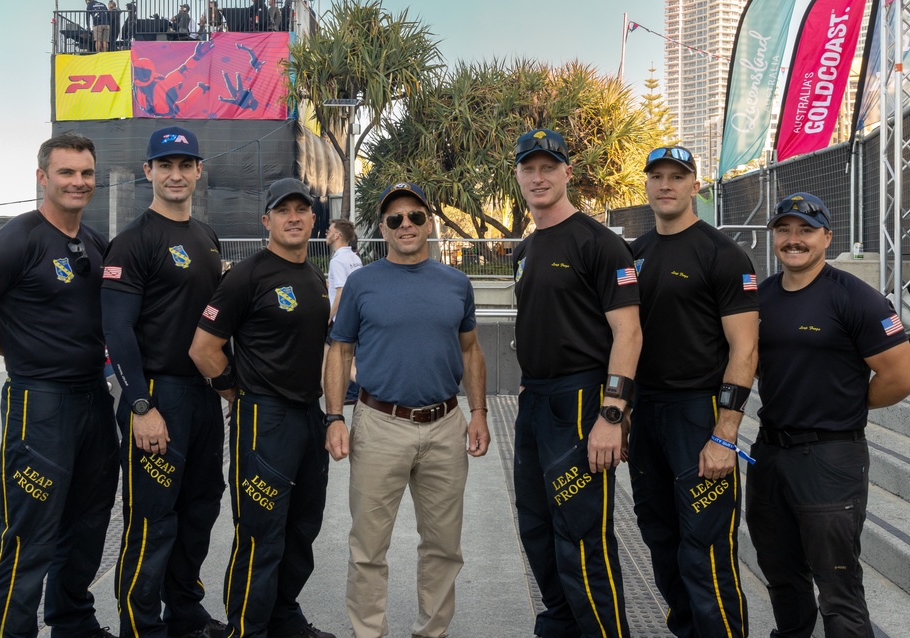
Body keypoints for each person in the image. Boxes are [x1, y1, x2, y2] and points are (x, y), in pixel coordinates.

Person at [0, 133, 119, 638]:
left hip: (93, 400)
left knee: (87, 524)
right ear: (42, 178)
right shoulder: (16, 239)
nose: (77, 182)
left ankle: (72, 621)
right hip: (40, 405)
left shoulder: (95, 241)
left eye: (85, 173)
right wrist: (13, 350)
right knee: (30, 532)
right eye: (66, 172)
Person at [324, 182, 490, 638]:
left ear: (429, 221)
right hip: (379, 425)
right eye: (395, 219)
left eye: (415, 216)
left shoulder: (456, 283)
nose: (406, 225)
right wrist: (335, 417)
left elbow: (472, 350)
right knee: (368, 548)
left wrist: (478, 412)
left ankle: (431, 632)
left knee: (443, 547)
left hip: (444, 426)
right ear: (382, 227)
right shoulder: (362, 283)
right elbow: (338, 352)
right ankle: (368, 633)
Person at [747, 192, 910, 638]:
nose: (793, 240)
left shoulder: (857, 298)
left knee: (837, 587)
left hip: (830, 458)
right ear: (774, 237)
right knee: (781, 574)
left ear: (827, 237)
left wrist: (849, 404)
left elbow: (900, 375)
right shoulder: (761, 299)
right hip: (770, 454)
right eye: (784, 230)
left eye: (805, 230)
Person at [189, 178, 335, 638]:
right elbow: (203, 350)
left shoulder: (314, 276)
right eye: (283, 210)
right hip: (264, 419)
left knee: (301, 527)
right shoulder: (247, 275)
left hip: (308, 416)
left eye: (302, 209)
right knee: (261, 531)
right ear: (266, 220)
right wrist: (237, 393)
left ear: (314, 218)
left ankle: (283, 616)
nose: (294, 217)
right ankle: (246, 628)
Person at [511, 128, 641, 638]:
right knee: (537, 527)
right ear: (518, 175)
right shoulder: (526, 247)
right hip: (536, 400)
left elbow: (628, 331)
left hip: (583, 398)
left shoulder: (600, 243)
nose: (538, 177)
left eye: (548, 167)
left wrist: (612, 414)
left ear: (568, 172)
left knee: (582, 535)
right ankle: (561, 622)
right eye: (529, 168)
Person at [628, 145, 758, 638]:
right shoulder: (634, 254)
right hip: (647, 413)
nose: (666, 185)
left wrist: (725, 433)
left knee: (705, 549)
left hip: (698, 413)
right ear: (646, 185)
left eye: (677, 177)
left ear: (694, 187)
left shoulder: (722, 254)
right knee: (660, 540)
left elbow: (745, 350)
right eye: (657, 176)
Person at [101, 126, 225, 638]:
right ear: (147, 172)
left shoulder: (207, 237)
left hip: (202, 396)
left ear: (198, 171)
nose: (176, 175)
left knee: (199, 509)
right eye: (164, 165)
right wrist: (139, 404)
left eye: (185, 165)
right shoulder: (134, 241)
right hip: (158, 394)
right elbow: (116, 329)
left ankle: (185, 613)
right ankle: (141, 624)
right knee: (152, 519)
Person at [324, 218, 362, 404]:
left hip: (340, 317)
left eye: (329, 230)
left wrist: (329, 317)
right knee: (349, 358)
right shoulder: (354, 258)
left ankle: (362, 386)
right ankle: (352, 392)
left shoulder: (337, 261)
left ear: (337, 235)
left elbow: (340, 292)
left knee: (330, 357)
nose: (326, 232)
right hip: (354, 316)